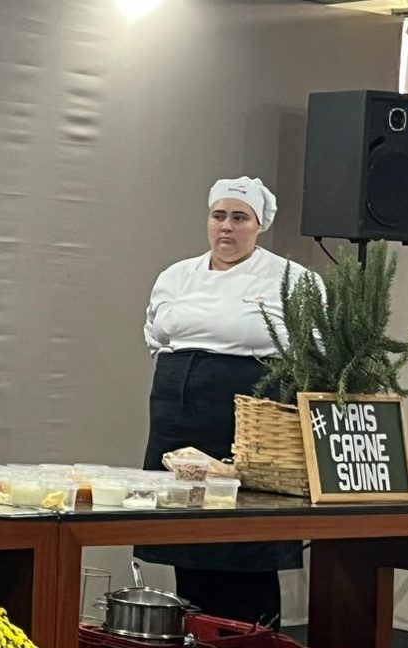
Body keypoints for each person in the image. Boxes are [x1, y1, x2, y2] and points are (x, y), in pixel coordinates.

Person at [138, 176, 316, 626]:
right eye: (219, 216)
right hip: (180, 418)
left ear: (259, 225)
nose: (227, 227)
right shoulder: (176, 275)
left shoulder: (292, 279)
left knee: (246, 541)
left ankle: (253, 634)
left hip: (252, 421)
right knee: (188, 535)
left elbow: (315, 347)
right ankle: (194, 630)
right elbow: (157, 336)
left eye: (240, 218)